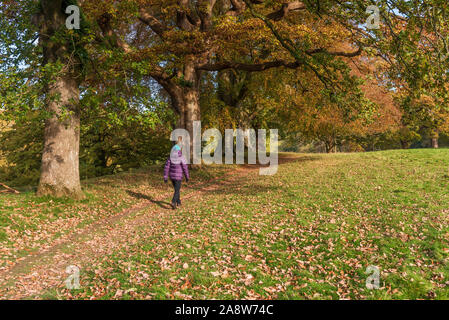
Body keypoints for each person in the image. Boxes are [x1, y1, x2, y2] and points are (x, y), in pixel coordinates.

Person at [163, 138, 189, 209]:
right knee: (177, 190)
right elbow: (185, 167)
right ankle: (173, 201)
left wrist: (165, 177)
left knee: (176, 189)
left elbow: (166, 167)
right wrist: (187, 177)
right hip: (178, 176)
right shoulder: (181, 156)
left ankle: (179, 202)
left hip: (172, 176)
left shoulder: (170, 156)